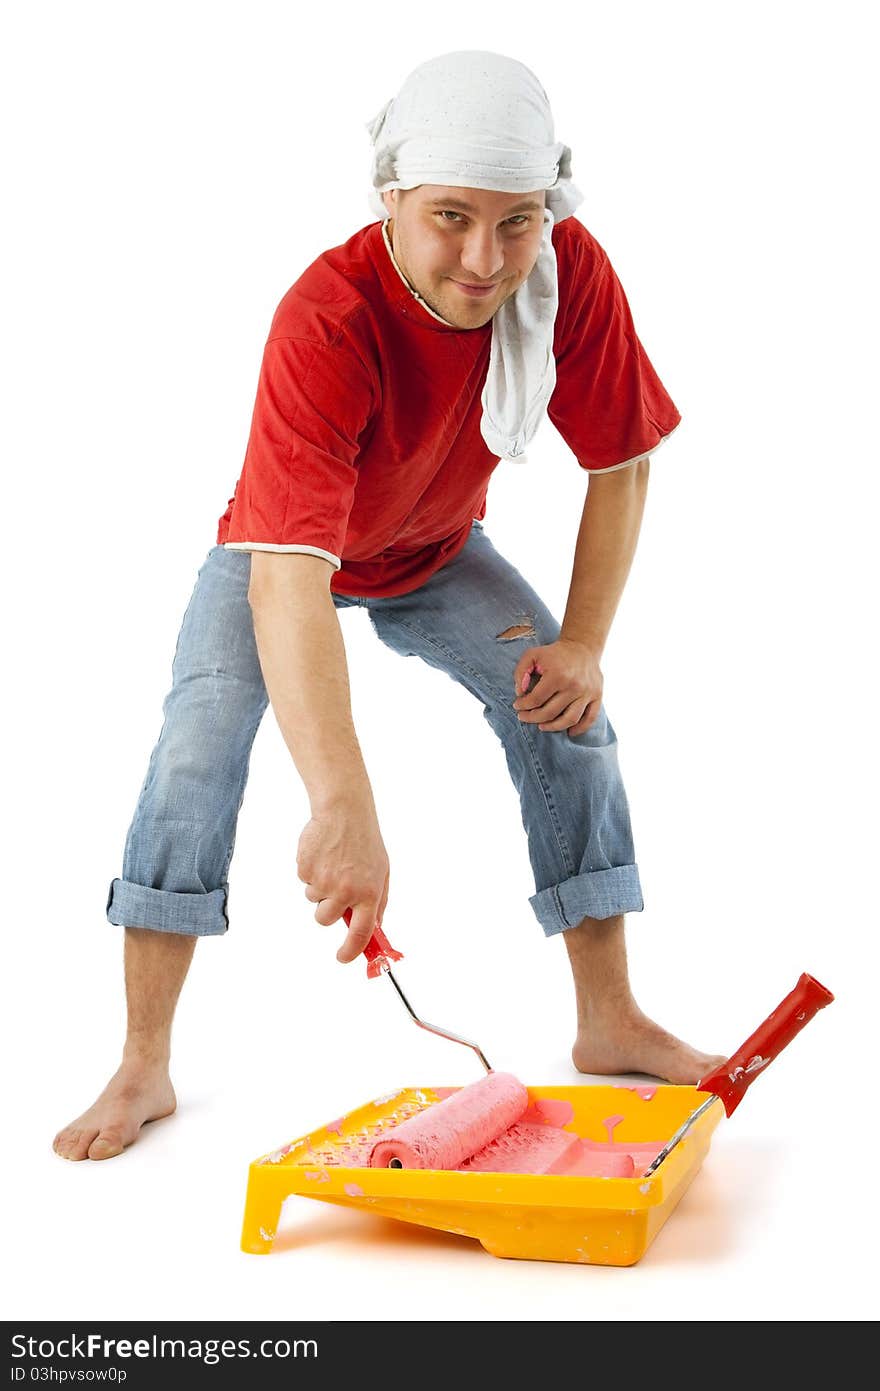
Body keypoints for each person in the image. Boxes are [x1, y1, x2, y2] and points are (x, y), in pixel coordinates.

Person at [54, 50, 724, 1163]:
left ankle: (606, 1015)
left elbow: (624, 465)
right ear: (392, 195)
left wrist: (586, 645)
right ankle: (142, 1061)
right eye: (452, 217)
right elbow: (289, 579)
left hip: (434, 548)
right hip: (278, 555)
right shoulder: (328, 314)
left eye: (516, 224)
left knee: (564, 707)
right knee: (194, 747)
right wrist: (343, 804)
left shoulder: (571, 274)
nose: (484, 258)